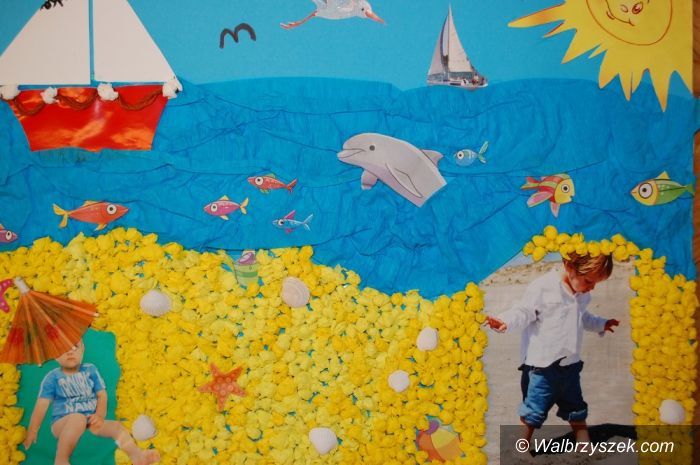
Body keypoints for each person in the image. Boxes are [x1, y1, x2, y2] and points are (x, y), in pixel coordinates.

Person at [486, 252, 620, 448]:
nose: (592, 287)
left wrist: (601, 324)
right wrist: (505, 321)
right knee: (533, 411)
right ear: (570, 266)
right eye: (589, 281)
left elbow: (582, 317)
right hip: (542, 367)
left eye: (595, 284)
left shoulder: (582, 294)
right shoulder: (543, 287)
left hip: (570, 365)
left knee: (576, 406)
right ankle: (521, 447)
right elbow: (523, 311)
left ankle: (583, 443)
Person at [22, 340, 160, 465]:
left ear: (82, 350)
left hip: (89, 419)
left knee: (116, 427)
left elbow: (102, 395)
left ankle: (137, 456)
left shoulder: (90, 370)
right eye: (62, 349)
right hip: (61, 423)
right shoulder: (52, 378)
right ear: (55, 356)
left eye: (75, 347)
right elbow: (42, 404)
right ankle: (61, 460)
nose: (70, 352)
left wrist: (99, 415)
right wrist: (33, 430)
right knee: (77, 418)